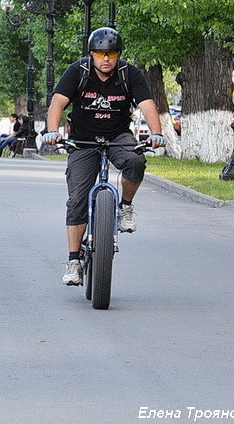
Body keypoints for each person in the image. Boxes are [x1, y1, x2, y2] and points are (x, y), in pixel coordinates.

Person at [42, 27, 165, 286]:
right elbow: (57, 102)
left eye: (111, 53)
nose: (106, 59)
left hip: (118, 136)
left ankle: (126, 207)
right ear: (91, 53)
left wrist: (156, 134)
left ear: (118, 54)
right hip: (83, 141)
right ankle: (74, 261)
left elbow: (147, 104)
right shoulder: (78, 71)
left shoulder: (129, 73)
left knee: (135, 161)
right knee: (77, 200)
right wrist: (52, 131)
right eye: (100, 53)